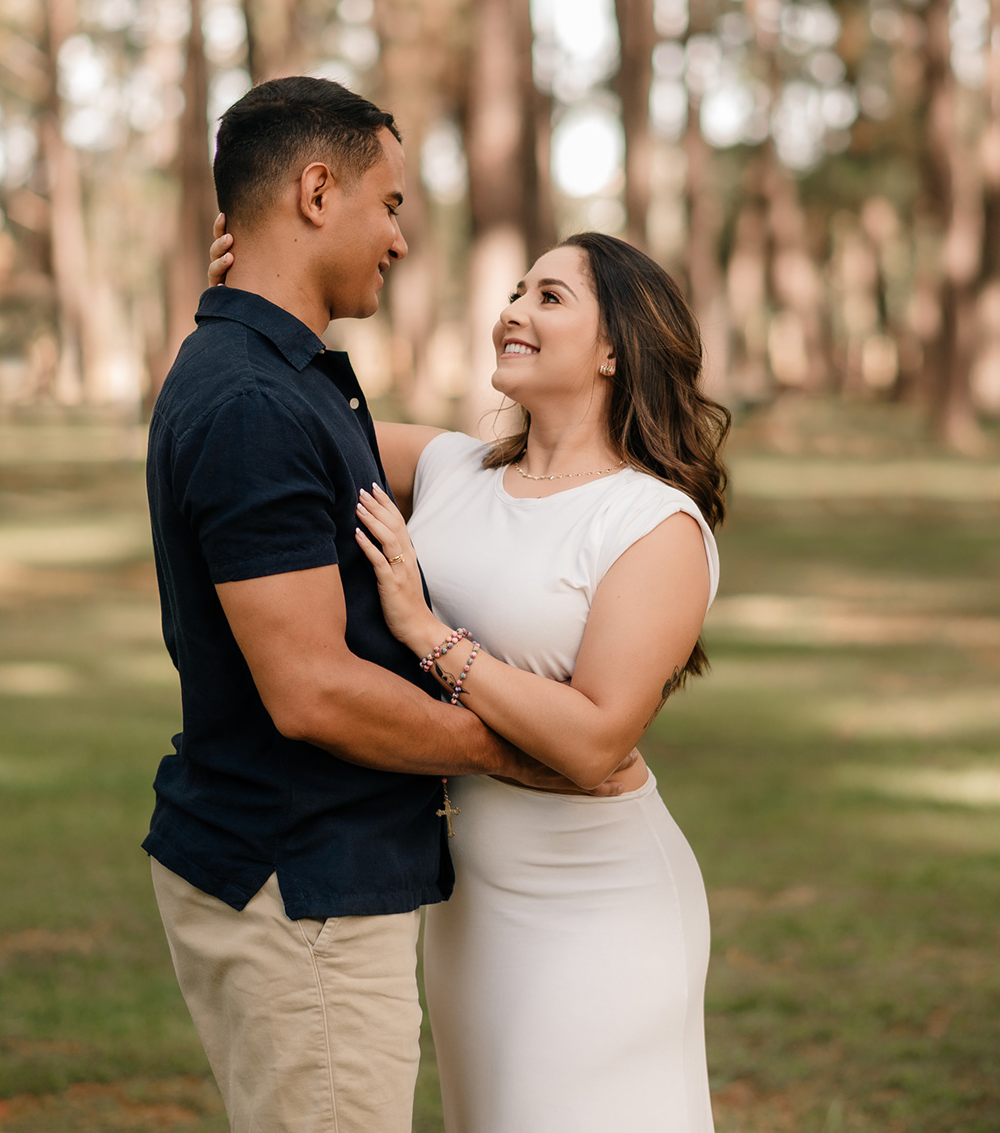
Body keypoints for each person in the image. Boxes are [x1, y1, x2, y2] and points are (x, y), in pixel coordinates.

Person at [144, 76, 612, 1133]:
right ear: (318, 193)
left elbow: (464, 466)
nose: (399, 238)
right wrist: (517, 751)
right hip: (300, 886)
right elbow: (311, 690)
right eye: (389, 204)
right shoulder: (256, 398)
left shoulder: (275, 373)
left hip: (298, 871)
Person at [208, 212, 729, 1132]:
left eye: (550, 296)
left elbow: (595, 738)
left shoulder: (652, 522)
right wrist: (245, 300)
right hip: (467, 901)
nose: (512, 311)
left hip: (597, 901)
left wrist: (427, 633)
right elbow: (275, 418)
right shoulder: (452, 467)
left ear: (615, 350)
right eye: (517, 291)